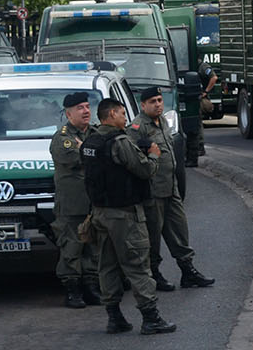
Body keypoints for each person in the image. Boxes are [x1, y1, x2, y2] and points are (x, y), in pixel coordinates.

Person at [80, 98, 176, 335]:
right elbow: (144, 170)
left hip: (100, 214)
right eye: (122, 113)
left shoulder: (90, 142)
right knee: (137, 265)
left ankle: (114, 317)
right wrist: (153, 155)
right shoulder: (119, 142)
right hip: (124, 215)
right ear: (111, 115)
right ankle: (150, 318)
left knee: (108, 266)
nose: (125, 118)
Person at [134, 87, 215, 291]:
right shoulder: (137, 127)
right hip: (153, 193)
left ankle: (188, 271)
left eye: (160, 100)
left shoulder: (163, 122)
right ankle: (154, 274)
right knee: (153, 237)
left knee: (180, 231)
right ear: (143, 105)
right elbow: (135, 161)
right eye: (152, 101)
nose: (158, 104)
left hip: (171, 189)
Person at [50, 91, 101, 309]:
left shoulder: (94, 132)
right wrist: (89, 151)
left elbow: (105, 154)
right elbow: (72, 157)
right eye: (80, 108)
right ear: (69, 114)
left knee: (93, 246)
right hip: (72, 204)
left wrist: (86, 149)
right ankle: (72, 290)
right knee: (72, 247)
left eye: (87, 106)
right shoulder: (62, 137)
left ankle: (91, 286)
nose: (86, 111)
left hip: (94, 201)